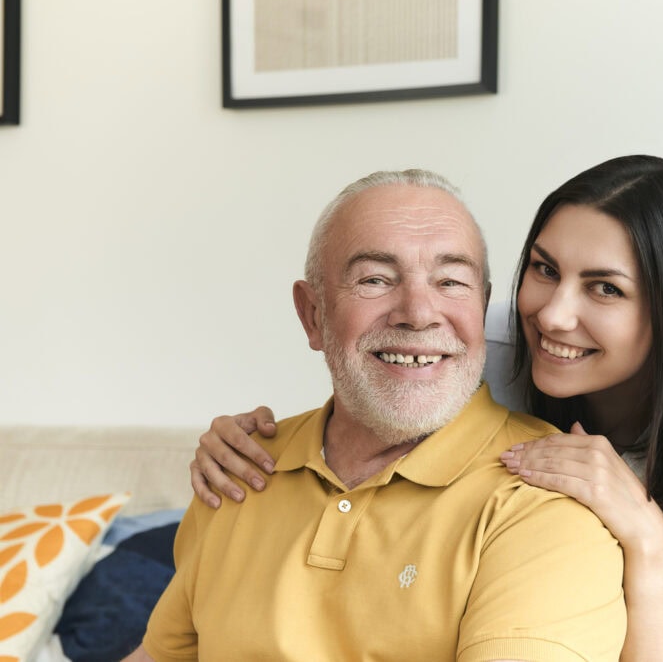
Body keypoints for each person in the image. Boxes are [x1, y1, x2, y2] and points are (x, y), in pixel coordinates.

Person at [191, 155, 663, 662]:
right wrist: (249, 442)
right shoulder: (478, 339)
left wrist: (647, 541)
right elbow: (359, 399)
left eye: (605, 288)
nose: (552, 315)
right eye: (545, 270)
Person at [123, 170, 627, 661]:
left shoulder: (544, 501)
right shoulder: (239, 466)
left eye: (450, 281)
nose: (419, 311)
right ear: (313, 315)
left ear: (483, 307)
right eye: (376, 279)